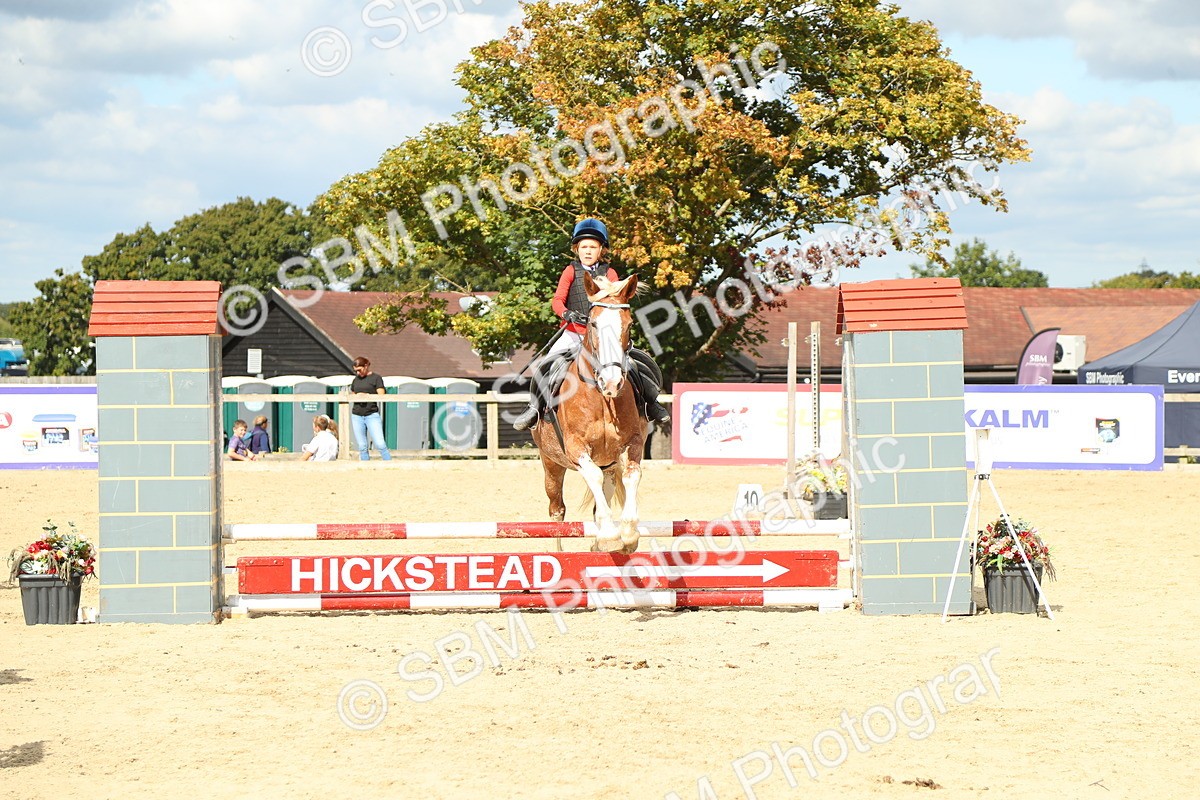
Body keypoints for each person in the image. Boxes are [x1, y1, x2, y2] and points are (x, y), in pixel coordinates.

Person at [512, 217, 671, 431]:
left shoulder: (610, 273)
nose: (588, 251)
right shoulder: (570, 271)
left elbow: (616, 302)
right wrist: (567, 314)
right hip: (572, 333)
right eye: (583, 247)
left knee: (635, 365)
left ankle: (652, 404)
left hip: (604, 335)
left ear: (601, 250)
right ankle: (534, 408)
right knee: (547, 365)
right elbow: (557, 300)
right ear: (577, 249)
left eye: (593, 247)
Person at [349, 356, 392, 461]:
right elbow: (352, 394)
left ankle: (389, 464)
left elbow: (381, 394)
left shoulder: (376, 378)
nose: (358, 373)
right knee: (362, 446)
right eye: (356, 371)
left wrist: (367, 395)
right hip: (357, 415)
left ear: (366, 366)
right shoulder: (356, 380)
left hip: (371, 414)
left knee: (380, 444)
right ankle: (365, 466)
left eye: (359, 370)